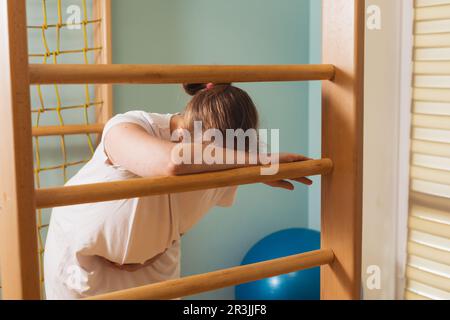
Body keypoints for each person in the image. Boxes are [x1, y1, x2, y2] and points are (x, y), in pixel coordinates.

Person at [44, 83, 312, 299]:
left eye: (232, 150)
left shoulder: (234, 157)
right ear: (183, 132)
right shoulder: (129, 126)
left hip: (154, 263)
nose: (221, 157)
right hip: (83, 263)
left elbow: (185, 210)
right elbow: (174, 162)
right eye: (214, 148)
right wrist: (260, 162)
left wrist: (153, 249)